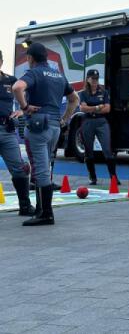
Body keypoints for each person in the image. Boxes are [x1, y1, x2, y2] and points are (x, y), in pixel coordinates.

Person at [13, 43, 79, 226]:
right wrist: (64, 119)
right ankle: (42, 209)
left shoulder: (34, 73)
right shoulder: (58, 75)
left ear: (30, 58)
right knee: (46, 167)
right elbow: (75, 99)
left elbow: (17, 87)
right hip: (55, 126)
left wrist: (25, 107)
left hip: (38, 126)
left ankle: (46, 214)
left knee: (40, 170)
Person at [0, 50, 35, 216]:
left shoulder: (11, 80)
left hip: (7, 131)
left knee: (21, 169)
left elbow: (27, 96)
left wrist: (22, 110)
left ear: (1, 62)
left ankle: (25, 206)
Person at [78, 69, 119, 186]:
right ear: (88, 79)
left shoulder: (103, 92)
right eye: (93, 79)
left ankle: (113, 177)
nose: (95, 81)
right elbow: (82, 108)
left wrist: (91, 108)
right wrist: (97, 107)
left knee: (107, 150)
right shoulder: (83, 93)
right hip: (88, 122)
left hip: (101, 122)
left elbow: (107, 109)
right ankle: (92, 177)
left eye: (96, 79)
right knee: (89, 151)